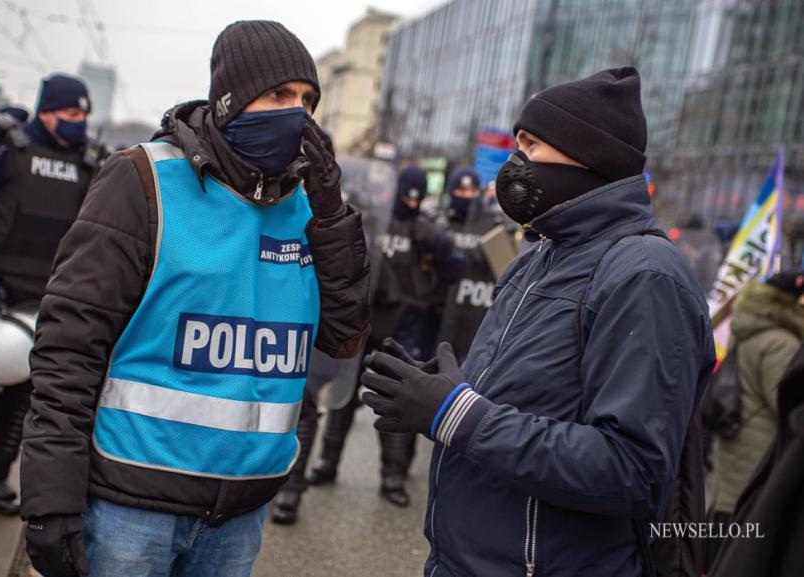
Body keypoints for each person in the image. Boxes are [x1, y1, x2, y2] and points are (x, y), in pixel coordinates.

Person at [20, 21, 370, 577]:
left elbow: (344, 336)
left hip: (240, 515)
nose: (297, 115)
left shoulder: (310, 209)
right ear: (230, 100)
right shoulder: (143, 179)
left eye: (308, 100)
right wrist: (50, 495)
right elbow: (69, 343)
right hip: (129, 507)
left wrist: (332, 214)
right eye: (278, 95)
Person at [361, 67, 715, 577]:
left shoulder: (644, 275)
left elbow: (632, 470)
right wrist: (451, 391)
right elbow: (532, 406)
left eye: (532, 144)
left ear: (590, 154)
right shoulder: (538, 254)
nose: (515, 161)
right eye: (516, 142)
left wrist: (458, 415)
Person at [0, 74, 94, 525]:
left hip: (45, 302)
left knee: (21, 399)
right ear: (46, 111)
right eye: (71, 114)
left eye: (84, 115)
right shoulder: (0, 152)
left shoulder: (88, 165)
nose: (79, 123)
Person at [303, 166, 464, 509]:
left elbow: (453, 272)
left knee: (397, 397)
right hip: (364, 319)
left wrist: (440, 247)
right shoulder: (373, 221)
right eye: (406, 190)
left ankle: (392, 474)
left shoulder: (427, 231)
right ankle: (328, 462)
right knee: (343, 396)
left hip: (405, 326)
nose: (411, 198)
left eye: (417, 193)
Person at [705, 272, 804, 567]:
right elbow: (786, 404)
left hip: (732, 467)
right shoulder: (780, 342)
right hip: (756, 464)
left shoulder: (749, 331)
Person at [435, 166, 500, 361]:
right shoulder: (440, 221)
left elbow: (503, 266)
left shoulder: (493, 225)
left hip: (475, 314)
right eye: (461, 191)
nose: (467, 196)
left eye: (472, 191)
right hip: (438, 310)